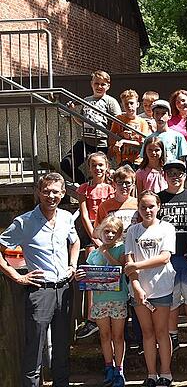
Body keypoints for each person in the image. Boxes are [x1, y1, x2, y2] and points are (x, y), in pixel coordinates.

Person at [0, 173, 80, 387]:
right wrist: (17, 276)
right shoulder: (24, 222)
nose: (50, 196)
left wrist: (73, 265)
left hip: (64, 289)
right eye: (46, 191)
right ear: (38, 192)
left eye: (55, 191)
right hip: (39, 291)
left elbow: (75, 240)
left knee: (62, 347)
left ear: (63, 194)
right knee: (35, 347)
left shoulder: (65, 217)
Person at [124, 191, 176, 386]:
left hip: (161, 287)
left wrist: (137, 266)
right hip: (139, 290)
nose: (147, 210)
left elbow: (164, 257)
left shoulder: (167, 228)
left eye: (151, 206)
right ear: (138, 208)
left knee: (162, 332)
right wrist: (136, 286)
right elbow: (128, 260)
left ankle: (166, 373)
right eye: (143, 206)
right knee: (147, 333)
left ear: (158, 207)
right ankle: (151, 374)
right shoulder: (132, 231)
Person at [74, 216, 129, 387]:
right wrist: (79, 276)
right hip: (99, 300)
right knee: (104, 335)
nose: (110, 235)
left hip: (118, 299)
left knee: (118, 336)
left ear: (119, 234)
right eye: (107, 231)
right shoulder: (93, 254)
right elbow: (88, 276)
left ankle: (119, 369)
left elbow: (121, 270)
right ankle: (109, 367)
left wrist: (106, 253)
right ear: (101, 232)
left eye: (114, 232)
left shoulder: (122, 249)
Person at [158, 160, 187, 353]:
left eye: (179, 173)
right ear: (165, 176)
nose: (175, 176)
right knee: (172, 299)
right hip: (167, 258)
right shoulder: (159, 198)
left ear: (185, 176)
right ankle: (173, 335)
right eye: (171, 173)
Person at [75, 152, 114, 339]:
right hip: (93, 233)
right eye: (94, 165)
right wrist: (96, 238)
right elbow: (84, 215)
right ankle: (92, 317)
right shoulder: (84, 189)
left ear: (106, 166)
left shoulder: (112, 187)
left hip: (111, 233)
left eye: (101, 165)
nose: (97, 169)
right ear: (89, 168)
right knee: (92, 267)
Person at [61, 70, 121, 183]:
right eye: (96, 83)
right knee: (66, 163)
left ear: (108, 86)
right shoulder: (86, 100)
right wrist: (73, 111)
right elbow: (82, 122)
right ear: (91, 84)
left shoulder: (110, 101)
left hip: (102, 143)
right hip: (85, 141)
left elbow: (119, 122)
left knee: (102, 172)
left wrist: (112, 143)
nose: (99, 86)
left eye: (103, 84)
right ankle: (86, 184)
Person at [109, 89, 150, 167]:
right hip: (121, 159)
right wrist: (121, 134)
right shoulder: (118, 119)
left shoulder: (142, 122)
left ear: (137, 104)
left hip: (137, 160)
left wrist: (124, 141)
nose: (129, 106)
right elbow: (111, 140)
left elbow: (143, 143)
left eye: (131, 103)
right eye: (126, 104)